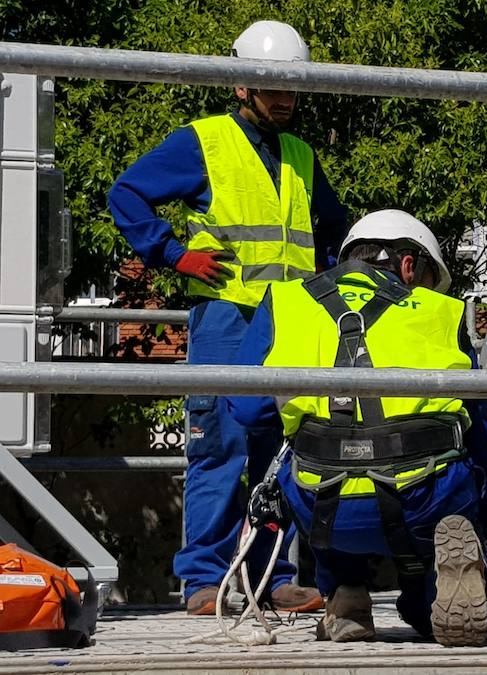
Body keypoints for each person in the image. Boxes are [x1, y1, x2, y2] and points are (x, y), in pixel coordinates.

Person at [107, 20, 348, 616]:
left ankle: (272, 574)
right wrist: (171, 252)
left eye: (294, 88)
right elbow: (127, 193)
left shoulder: (301, 155)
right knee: (219, 446)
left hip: (289, 323)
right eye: (274, 87)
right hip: (225, 318)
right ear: (240, 85)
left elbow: (339, 232)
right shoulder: (204, 141)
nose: (286, 99)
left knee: (282, 450)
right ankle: (204, 581)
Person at [228, 210, 487, 646]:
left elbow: (246, 409)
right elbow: (479, 417)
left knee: (308, 474)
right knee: (475, 470)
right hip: (423, 501)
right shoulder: (444, 311)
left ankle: (346, 599)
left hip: (326, 510)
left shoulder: (285, 300)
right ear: (409, 266)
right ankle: (441, 591)